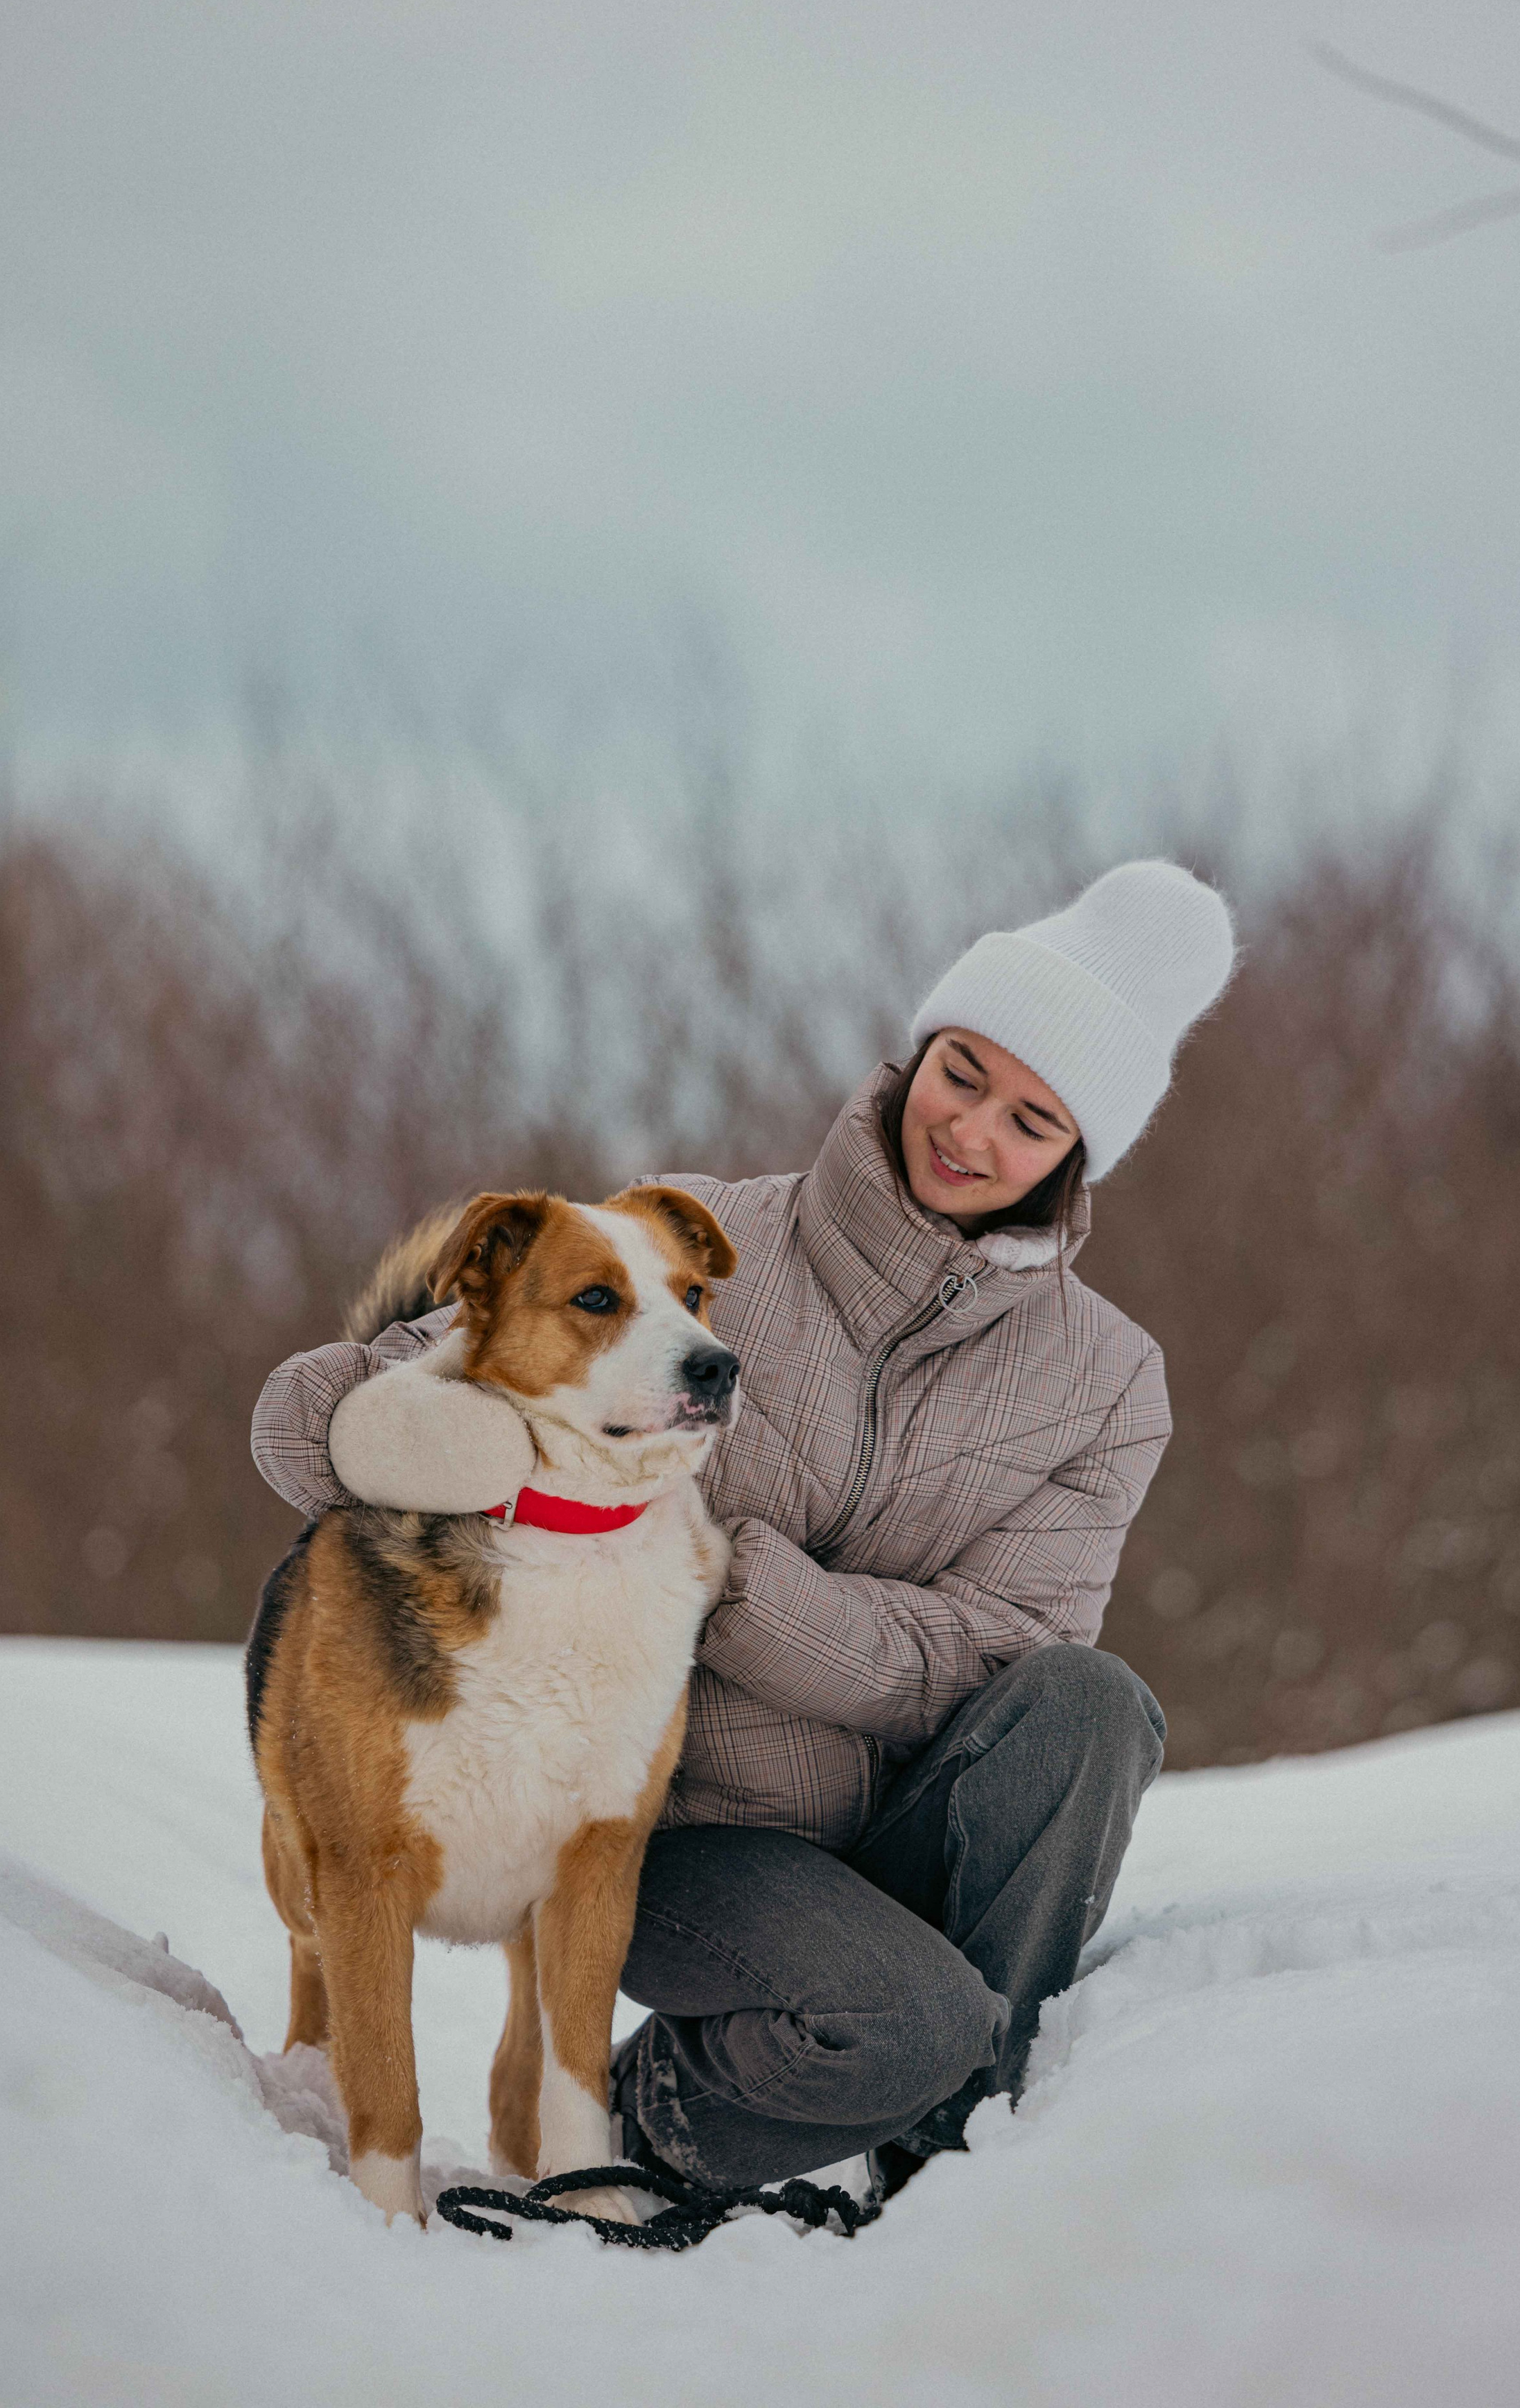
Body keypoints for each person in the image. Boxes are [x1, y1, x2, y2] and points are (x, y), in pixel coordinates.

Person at [250, 858, 1236, 2203]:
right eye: (962, 1071)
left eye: (1030, 1116)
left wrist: (735, 1584)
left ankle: (952, 2143)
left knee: (1090, 1703)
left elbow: (1000, 1643)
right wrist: (398, 1426)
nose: (970, 1130)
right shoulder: (702, 1237)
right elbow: (403, 1380)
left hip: (896, 1829)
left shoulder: (1107, 1380)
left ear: (1072, 1155)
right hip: (669, 1830)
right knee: (907, 2016)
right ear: (915, 1053)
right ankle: (659, 2120)